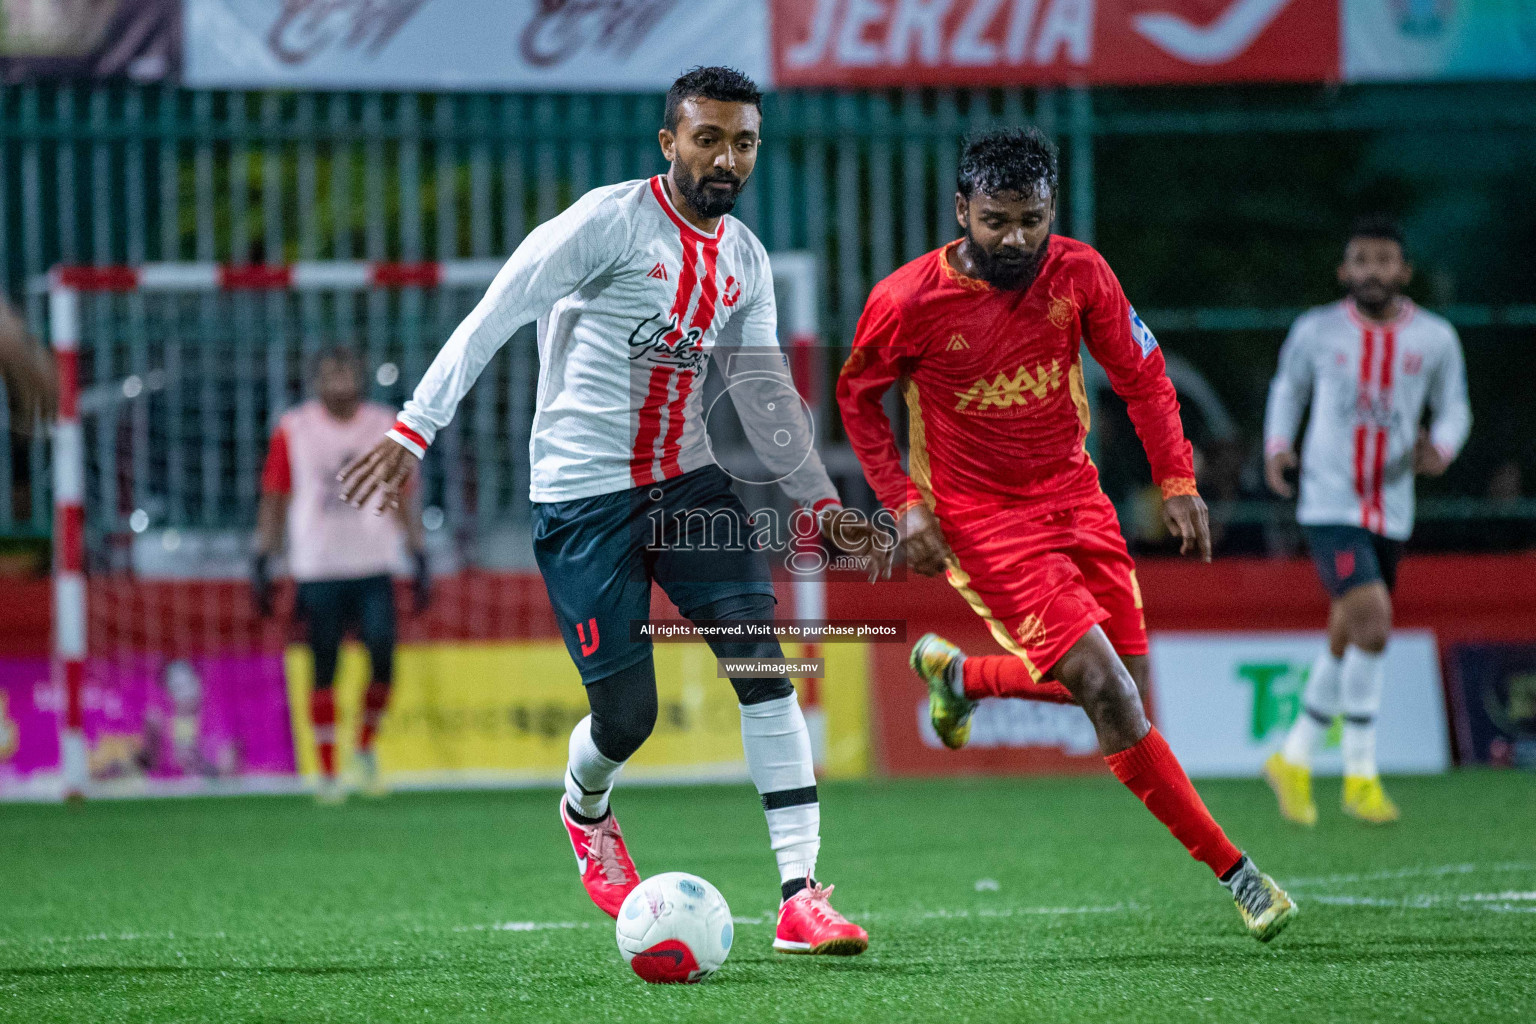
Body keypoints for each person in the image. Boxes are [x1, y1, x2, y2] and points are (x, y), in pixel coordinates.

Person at [337, 67, 875, 956]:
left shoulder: (743, 258)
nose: (726, 157)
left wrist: (821, 501)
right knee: (629, 718)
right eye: (707, 138)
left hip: (691, 486)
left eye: (743, 142)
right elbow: (494, 313)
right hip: (584, 500)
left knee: (763, 668)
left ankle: (800, 893)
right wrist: (412, 431)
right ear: (669, 143)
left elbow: (765, 389)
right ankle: (585, 806)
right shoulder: (608, 223)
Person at [836, 128, 1295, 942]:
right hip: (981, 523)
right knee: (1112, 695)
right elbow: (856, 398)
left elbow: (1143, 375)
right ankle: (1241, 875)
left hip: (1077, 501)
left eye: (1032, 220)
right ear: (961, 211)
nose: (1016, 239)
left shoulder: (1079, 271)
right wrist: (904, 505)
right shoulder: (906, 302)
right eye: (997, 220)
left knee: (1125, 693)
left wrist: (1177, 479)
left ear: (1053, 210)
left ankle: (964, 678)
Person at [1262, 217, 1470, 825]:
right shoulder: (1317, 330)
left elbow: (1455, 406)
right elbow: (1288, 389)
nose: (1372, 270)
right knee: (1374, 622)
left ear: (1403, 272)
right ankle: (1360, 775)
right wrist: (1278, 447)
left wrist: (1444, 447)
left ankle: (1294, 757)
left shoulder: (1434, 339)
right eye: (1361, 259)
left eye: (1384, 260)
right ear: (1344, 271)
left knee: (1349, 629)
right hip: (1329, 502)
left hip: (1393, 504)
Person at [254, 347, 429, 804]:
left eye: (347, 369)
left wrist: (418, 552)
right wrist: (262, 557)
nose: (339, 378)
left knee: (383, 663)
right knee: (323, 666)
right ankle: (328, 770)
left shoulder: (386, 422)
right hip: (318, 566)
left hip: (375, 563)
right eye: (330, 370)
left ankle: (365, 750)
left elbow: (404, 490)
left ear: (361, 375)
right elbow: (275, 496)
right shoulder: (293, 428)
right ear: (315, 380)